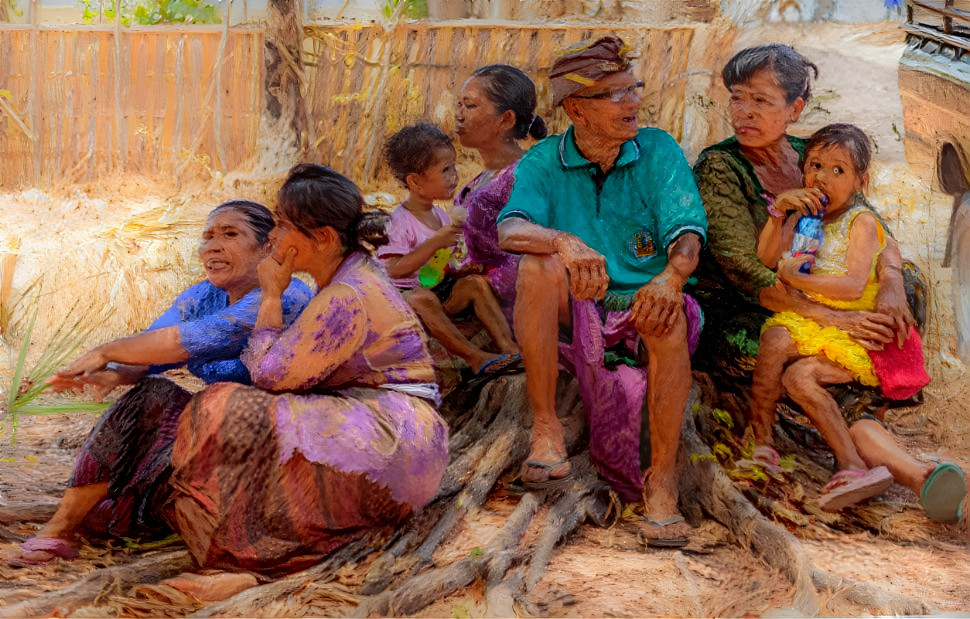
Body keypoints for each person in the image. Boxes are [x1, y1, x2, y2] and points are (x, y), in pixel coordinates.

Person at [165, 164, 450, 580]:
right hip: (402, 442)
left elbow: (270, 376)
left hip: (393, 444)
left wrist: (271, 297)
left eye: (282, 224)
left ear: (323, 238)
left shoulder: (345, 295)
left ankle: (244, 559)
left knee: (220, 407)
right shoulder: (351, 276)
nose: (274, 238)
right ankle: (248, 546)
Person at [11, 200, 313, 566]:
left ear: (268, 246)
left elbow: (191, 340)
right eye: (208, 237)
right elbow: (154, 345)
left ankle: (60, 529)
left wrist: (105, 351)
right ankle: (80, 523)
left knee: (157, 398)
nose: (211, 247)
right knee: (149, 400)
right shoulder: (202, 296)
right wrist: (116, 371)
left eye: (230, 234)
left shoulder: (285, 296)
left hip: (273, 441)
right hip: (218, 429)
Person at [497, 35, 708, 547]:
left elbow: (688, 233)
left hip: (643, 301)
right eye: (614, 95)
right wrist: (564, 242)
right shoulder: (546, 159)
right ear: (575, 108)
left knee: (669, 312)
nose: (632, 103)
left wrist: (670, 276)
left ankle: (662, 481)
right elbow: (510, 230)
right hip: (577, 304)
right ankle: (546, 427)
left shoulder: (657, 149)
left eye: (632, 89)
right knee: (538, 267)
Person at [691, 43, 918, 420]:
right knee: (778, 340)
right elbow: (746, 272)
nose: (745, 112)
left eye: (761, 100)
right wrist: (833, 317)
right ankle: (848, 424)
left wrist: (891, 281)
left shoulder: (812, 155)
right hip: (751, 305)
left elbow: (873, 224)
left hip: (819, 290)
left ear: (794, 109)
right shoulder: (720, 167)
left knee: (909, 288)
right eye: (737, 99)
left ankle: (870, 401)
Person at [749, 124, 964, 519]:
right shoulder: (803, 213)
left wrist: (796, 279)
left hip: (859, 327)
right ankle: (764, 440)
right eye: (815, 165)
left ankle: (870, 468)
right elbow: (767, 259)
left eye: (838, 170)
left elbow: (850, 285)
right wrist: (780, 211)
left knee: (807, 382)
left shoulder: (861, 221)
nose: (822, 178)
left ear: (861, 181)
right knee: (781, 350)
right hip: (817, 324)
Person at [379, 122, 519, 377]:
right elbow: (395, 270)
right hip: (408, 298)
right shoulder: (399, 221)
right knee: (424, 298)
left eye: (453, 166)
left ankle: (510, 349)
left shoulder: (441, 216)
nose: (454, 176)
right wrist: (436, 242)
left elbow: (439, 266)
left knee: (476, 284)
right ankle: (475, 357)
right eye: (445, 169)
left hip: (439, 291)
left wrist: (460, 272)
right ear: (416, 181)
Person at [454, 64, 548, 323]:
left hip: (509, 313)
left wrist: (479, 278)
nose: (459, 115)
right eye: (459, 104)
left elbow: (535, 262)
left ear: (506, 119)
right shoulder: (479, 181)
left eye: (470, 106)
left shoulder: (525, 178)